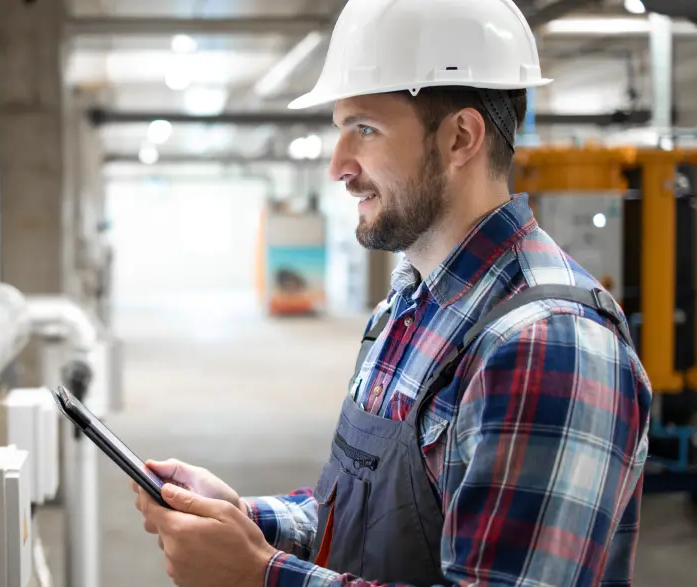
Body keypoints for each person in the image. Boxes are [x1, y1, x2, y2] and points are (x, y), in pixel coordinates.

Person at [131, 1, 653, 586]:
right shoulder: (406, 308)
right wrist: (243, 520)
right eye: (340, 130)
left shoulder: (547, 343)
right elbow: (368, 525)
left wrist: (260, 576)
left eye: (366, 129)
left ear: (460, 138)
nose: (338, 166)